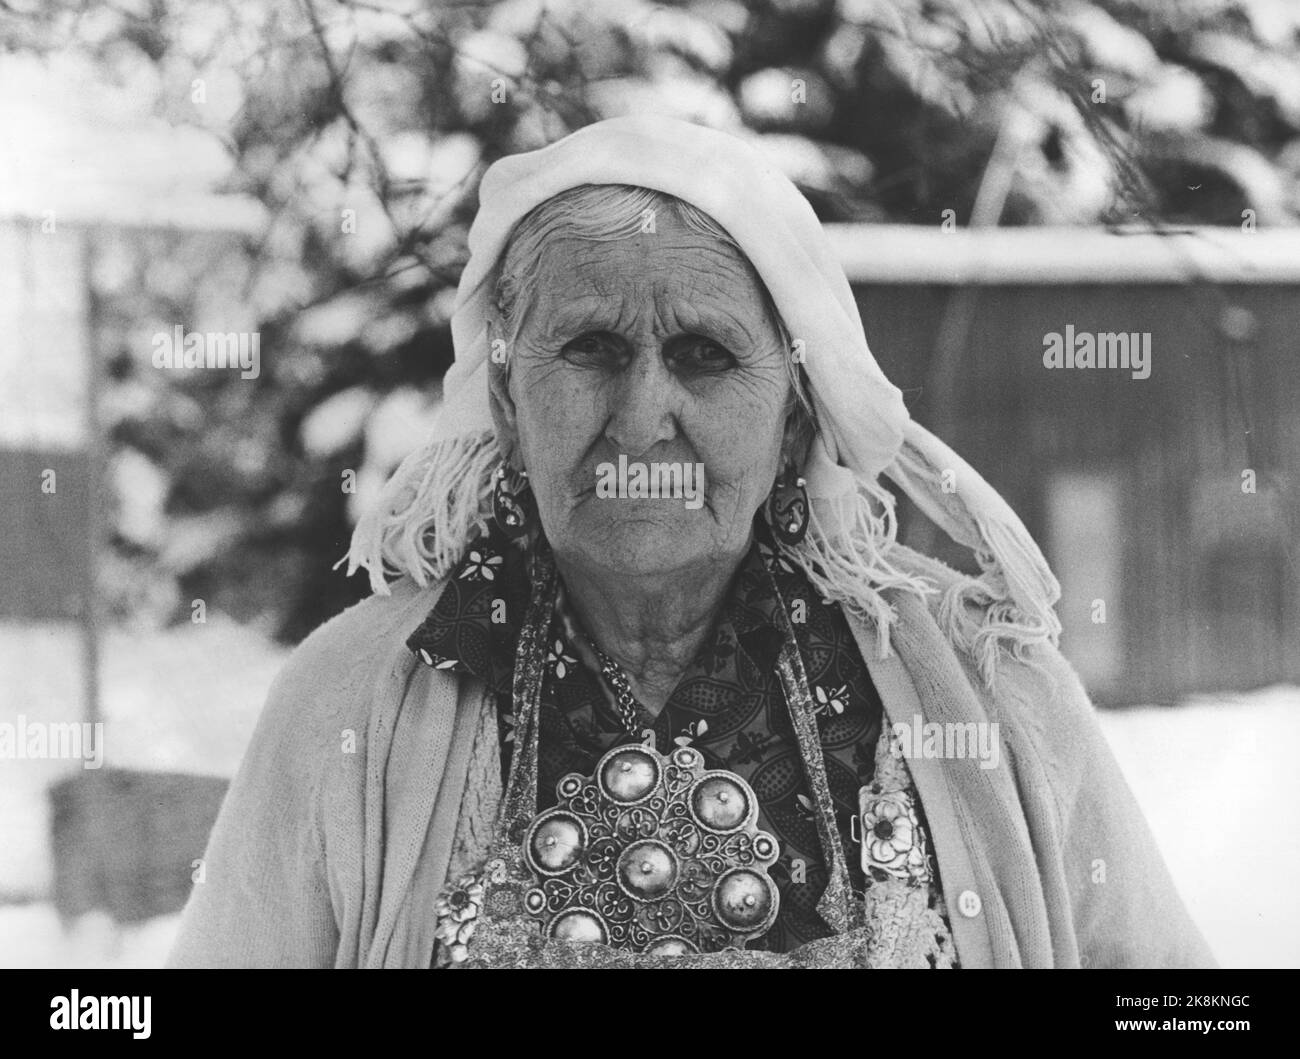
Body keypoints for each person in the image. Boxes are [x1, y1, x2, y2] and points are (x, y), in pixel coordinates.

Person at [168, 115, 1214, 968]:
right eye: (590, 349)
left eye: (705, 355)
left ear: (795, 413)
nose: (640, 418)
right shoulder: (352, 704)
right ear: (506, 394)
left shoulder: (986, 695)